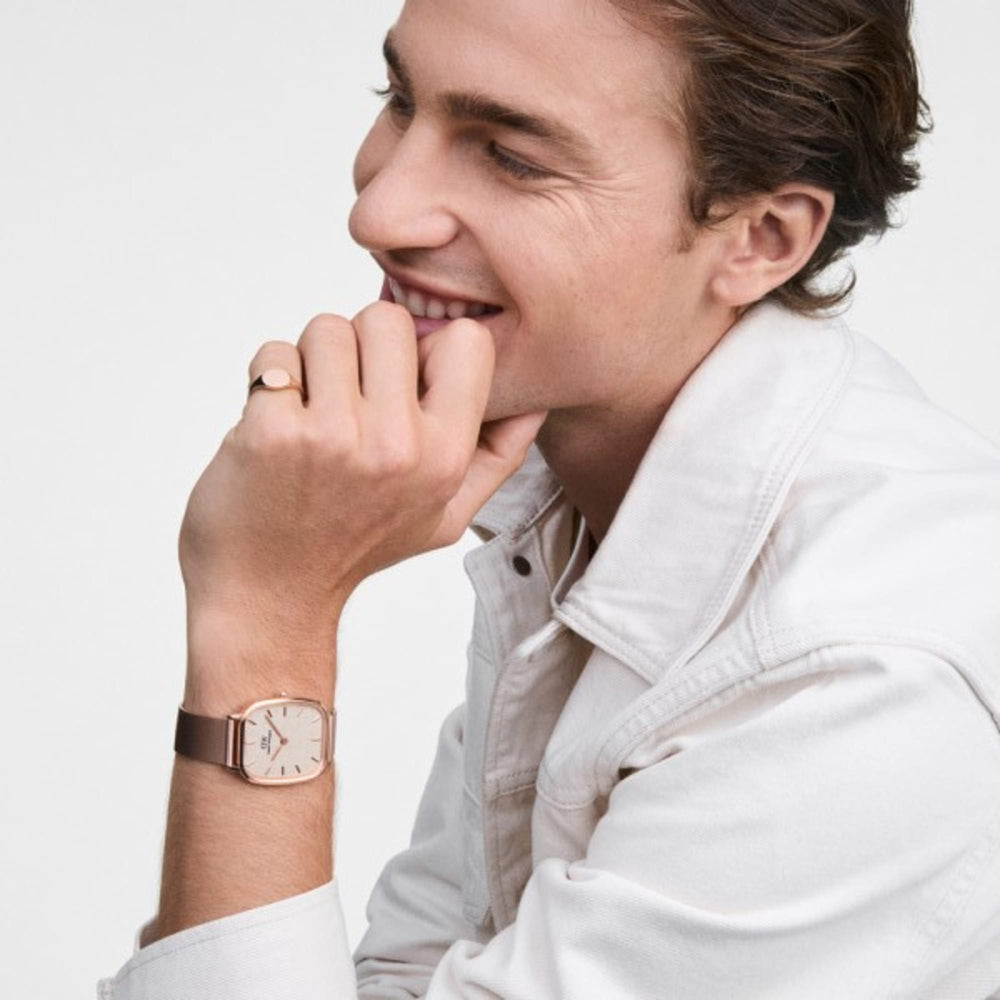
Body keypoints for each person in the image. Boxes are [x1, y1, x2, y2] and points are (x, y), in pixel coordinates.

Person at [100, 0, 1000, 996]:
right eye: (400, 99)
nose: (378, 212)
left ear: (760, 237)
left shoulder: (855, 678)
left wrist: (264, 623)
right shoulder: (573, 496)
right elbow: (403, 974)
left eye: (513, 158)